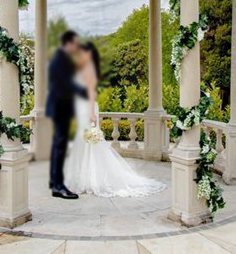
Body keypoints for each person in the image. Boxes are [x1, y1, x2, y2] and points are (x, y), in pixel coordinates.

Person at [65, 42, 165, 198]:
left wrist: (91, 113)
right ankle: (84, 178)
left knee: (91, 142)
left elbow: (91, 94)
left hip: (89, 108)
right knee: (83, 141)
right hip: (82, 108)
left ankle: (94, 179)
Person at [45, 30, 87, 199]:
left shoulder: (62, 58)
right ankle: (58, 186)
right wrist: (83, 91)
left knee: (58, 144)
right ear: (68, 43)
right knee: (60, 145)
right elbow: (64, 84)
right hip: (60, 106)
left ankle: (53, 180)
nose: (77, 46)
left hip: (61, 105)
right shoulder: (60, 59)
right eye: (75, 43)